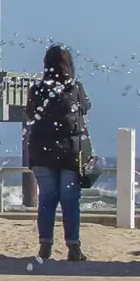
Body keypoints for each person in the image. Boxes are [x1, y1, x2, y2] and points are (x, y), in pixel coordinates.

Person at [24, 45, 90, 262]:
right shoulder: (75, 88)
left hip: (42, 153)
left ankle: (45, 245)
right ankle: (73, 246)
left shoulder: (37, 90)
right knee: (70, 200)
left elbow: (30, 113)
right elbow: (85, 107)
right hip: (70, 153)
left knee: (46, 199)